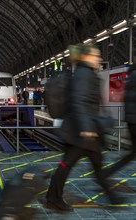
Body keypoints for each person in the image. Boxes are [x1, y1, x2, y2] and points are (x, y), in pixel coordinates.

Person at [46, 45, 121, 211]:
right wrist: (86, 129)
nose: (99, 59)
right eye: (96, 56)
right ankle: (53, 198)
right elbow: (79, 102)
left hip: (86, 132)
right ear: (86, 57)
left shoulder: (85, 73)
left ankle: (113, 197)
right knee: (66, 166)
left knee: (95, 165)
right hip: (80, 134)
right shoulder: (84, 74)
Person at [102, 59, 136, 178]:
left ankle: (108, 172)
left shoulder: (131, 74)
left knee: (132, 154)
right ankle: (107, 172)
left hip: (131, 120)